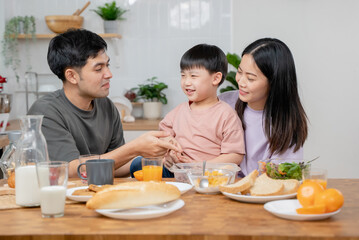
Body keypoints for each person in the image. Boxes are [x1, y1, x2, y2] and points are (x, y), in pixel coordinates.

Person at [27, 29, 181, 177]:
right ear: (72, 76)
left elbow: (115, 165)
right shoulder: (46, 112)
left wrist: (153, 157)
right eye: (98, 68)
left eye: (107, 65)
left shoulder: (106, 106)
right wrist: (135, 148)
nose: (109, 74)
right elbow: (71, 171)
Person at [130, 44, 245, 177]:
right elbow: (164, 135)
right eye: (183, 75)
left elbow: (235, 156)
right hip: (176, 172)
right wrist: (170, 150)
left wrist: (199, 167)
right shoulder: (178, 111)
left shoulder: (226, 114)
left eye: (193, 76)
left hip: (208, 175)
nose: (186, 82)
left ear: (215, 78)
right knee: (138, 164)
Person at [219, 38, 308, 176]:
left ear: (274, 83)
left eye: (250, 78)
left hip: (263, 194)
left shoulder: (286, 126)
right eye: (240, 72)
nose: (241, 82)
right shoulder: (224, 103)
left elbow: (282, 179)